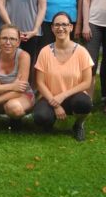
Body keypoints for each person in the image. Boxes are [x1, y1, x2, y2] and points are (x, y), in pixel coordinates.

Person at [34, 12, 94, 141]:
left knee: (84, 104)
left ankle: (79, 124)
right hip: (50, 97)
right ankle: (50, 121)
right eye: (56, 25)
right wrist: (55, 104)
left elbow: (87, 82)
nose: (60, 28)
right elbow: (40, 83)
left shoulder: (82, 52)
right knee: (40, 116)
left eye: (64, 25)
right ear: (52, 28)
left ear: (71, 27)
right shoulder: (44, 52)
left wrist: (63, 95)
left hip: (73, 97)